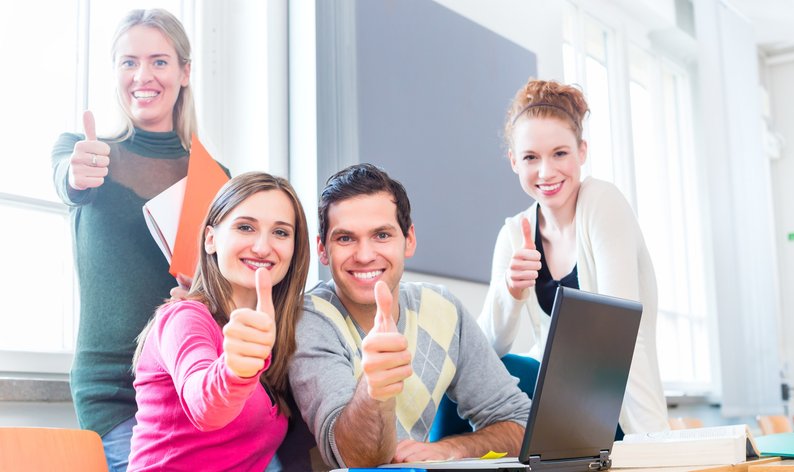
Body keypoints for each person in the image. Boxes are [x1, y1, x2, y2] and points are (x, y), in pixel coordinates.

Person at [288, 164, 531, 469]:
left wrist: (452, 449)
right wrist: (375, 388)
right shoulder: (309, 320)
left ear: (409, 239)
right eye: (346, 239)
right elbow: (355, 462)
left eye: (381, 235)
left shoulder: (442, 309)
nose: (364, 255)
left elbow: (521, 424)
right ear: (323, 249)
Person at [50, 9, 202, 470]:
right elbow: (67, 179)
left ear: (184, 72)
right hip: (113, 390)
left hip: (192, 385)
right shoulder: (86, 150)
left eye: (159, 61)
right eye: (129, 62)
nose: (143, 75)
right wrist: (75, 172)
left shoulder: (213, 179)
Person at [477, 79, 669, 435]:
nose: (546, 172)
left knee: (513, 373)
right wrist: (511, 291)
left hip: (608, 409)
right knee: (480, 375)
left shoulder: (601, 203)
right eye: (531, 157)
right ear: (513, 162)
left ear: (582, 151)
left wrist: (655, 444)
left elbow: (622, 335)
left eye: (560, 153)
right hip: (557, 402)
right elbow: (489, 349)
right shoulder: (514, 233)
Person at [128, 172, 310, 471]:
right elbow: (205, 407)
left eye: (280, 232)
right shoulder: (184, 318)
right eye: (245, 227)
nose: (263, 247)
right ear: (211, 239)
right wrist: (234, 370)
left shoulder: (281, 332)